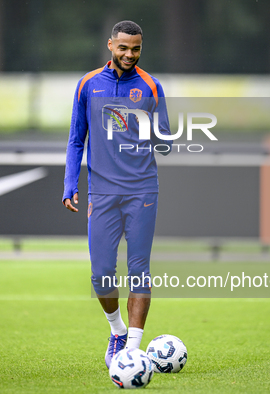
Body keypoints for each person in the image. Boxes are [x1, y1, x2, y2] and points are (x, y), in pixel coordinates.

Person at [62, 20, 172, 368]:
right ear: (111, 45)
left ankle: (133, 349)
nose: (129, 54)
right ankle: (117, 331)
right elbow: (76, 138)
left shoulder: (152, 86)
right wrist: (69, 184)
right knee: (101, 273)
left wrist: (156, 133)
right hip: (103, 192)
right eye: (123, 47)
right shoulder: (88, 84)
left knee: (139, 268)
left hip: (143, 190)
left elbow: (165, 142)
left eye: (136, 48)